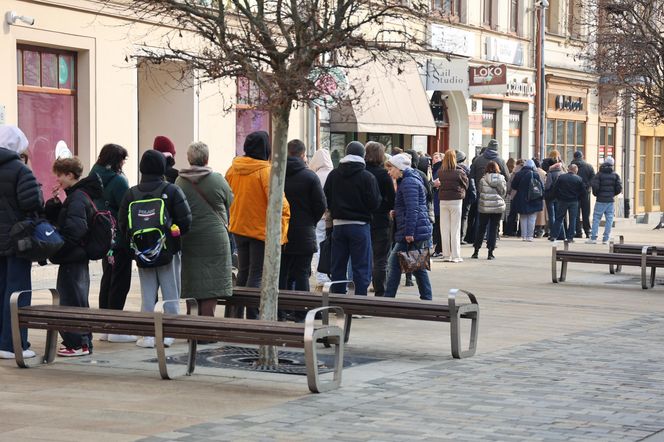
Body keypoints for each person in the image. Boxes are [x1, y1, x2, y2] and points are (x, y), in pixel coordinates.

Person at [119, 150, 192, 348]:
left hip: (143, 252)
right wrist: (173, 238)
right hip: (168, 251)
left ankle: (148, 335)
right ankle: (169, 334)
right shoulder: (172, 190)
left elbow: (122, 225)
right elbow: (186, 221)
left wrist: (135, 247)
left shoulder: (131, 193)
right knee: (171, 294)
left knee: (147, 294)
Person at [226, 131, 290, 317]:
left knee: (243, 273)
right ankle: (254, 318)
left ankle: (236, 316)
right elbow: (279, 202)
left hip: (238, 226)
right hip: (260, 230)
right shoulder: (266, 171)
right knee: (257, 274)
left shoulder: (233, 169)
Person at [46, 157, 102, 357]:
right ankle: (81, 342)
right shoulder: (77, 196)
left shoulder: (77, 197)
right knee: (75, 298)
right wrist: (54, 205)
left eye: (60, 175)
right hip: (75, 257)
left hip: (73, 257)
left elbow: (75, 229)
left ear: (70, 175)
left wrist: (59, 247)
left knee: (72, 299)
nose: (58, 180)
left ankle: (78, 344)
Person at [176, 141, 234, 319]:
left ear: (188, 158)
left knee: (192, 279)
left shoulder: (180, 181)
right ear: (207, 158)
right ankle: (207, 326)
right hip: (215, 237)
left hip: (189, 236)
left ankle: (192, 324)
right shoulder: (217, 179)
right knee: (212, 282)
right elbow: (230, 201)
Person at [0, 126, 43, 360]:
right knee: (18, 291)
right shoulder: (20, 170)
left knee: (1, 290)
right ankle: (13, 343)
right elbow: (32, 203)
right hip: (18, 242)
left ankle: (1, 341)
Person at [89, 144, 134, 343]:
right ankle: (115, 327)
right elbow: (127, 208)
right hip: (119, 237)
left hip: (102, 236)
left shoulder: (93, 176)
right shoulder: (118, 181)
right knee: (120, 281)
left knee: (107, 278)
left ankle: (105, 326)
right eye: (123, 159)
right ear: (116, 160)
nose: (124, 162)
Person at [324, 141, 381, 296]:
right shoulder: (367, 177)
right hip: (360, 225)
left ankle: (337, 299)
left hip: (338, 225)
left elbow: (326, 197)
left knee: (338, 266)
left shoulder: (334, 174)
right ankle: (359, 301)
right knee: (361, 266)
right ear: (363, 155)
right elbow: (375, 203)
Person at [279, 139, 326, 303]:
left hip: (281, 232)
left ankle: (281, 311)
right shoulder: (310, 177)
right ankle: (300, 311)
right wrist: (310, 221)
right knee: (302, 274)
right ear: (303, 155)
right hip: (304, 231)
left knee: (282, 273)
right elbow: (320, 205)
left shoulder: (276, 175)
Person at [384, 153, 432, 299]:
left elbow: (413, 209)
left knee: (396, 263)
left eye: (391, 168)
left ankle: (388, 298)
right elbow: (409, 207)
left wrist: (409, 233)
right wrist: (396, 212)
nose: (389, 172)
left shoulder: (408, 182)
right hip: (415, 229)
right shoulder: (408, 180)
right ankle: (426, 296)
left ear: (399, 168)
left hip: (412, 231)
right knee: (417, 265)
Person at [365, 141, 395, 297]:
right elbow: (391, 199)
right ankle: (379, 292)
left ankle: (361, 290)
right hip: (381, 221)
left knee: (364, 258)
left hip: (364, 219)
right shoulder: (383, 174)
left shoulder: (362, 171)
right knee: (380, 260)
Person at [468, 139, 509, 243]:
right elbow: (507, 177)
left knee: (480, 221)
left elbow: (471, 176)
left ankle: (477, 243)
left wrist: (477, 188)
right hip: (496, 196)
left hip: (481, 193)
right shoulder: (500, 161)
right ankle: (491, 244)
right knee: (494, 223)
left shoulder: (478, 160)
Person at [437, 150, 468, 262]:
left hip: (443, 200)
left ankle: (446, 254)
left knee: (444, 228)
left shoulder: (440, 172)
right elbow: (466, 184)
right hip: (456, 200)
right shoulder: (460, 172)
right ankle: (455, 255)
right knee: (455, 228)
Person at [309, 148, 334, 290]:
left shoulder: (314, 175)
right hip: (331, 217)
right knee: (329, 246)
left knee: (318, 246)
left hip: (317, 216)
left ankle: (321, 277)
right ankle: (329, 275)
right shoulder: (333, 174)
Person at [472, 161, 506, 260]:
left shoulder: (483, 179)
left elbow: (480, 191)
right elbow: (503, 192)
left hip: (485, 207)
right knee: (493, 229)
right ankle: (490, 252)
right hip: (497, 206)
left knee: (481, 228)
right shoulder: (501, 179)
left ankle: (476, 251)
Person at [587, 156, 622, 244]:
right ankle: (606, 239)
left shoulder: (599, 174)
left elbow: (595, 186)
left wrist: (597, 194)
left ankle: (593, 238)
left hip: (600, 200)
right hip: (610, 200)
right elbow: (619, 188)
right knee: (609, 219)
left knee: (596, 219)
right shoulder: (615, 175)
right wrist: (612, 194)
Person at [550, 164, 585, 243]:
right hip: (574, 201)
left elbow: (555, 189)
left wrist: (558, 197)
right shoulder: (579, 179)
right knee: (573, 219)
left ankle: (554, 236)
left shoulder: (561, 177)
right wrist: (578, 198)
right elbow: (583, 192)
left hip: (562, 200)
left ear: (568, 169)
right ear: (576, 171)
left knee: (559, 218)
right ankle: (570, 237)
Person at [510, 159, 544, 242]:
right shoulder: (535, 174)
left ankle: (524, 236)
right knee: (532, 217)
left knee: (523, 217)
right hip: (533, 198)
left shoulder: (519, 174)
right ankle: (530, 236)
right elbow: (541, 187)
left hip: (521, 198)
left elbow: (514, 186)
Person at [570, 151, 595, 238]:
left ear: (574, 156)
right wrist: (587, 185)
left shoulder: (571, 166)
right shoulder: (589, 166)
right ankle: (587, 231)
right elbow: (593, 179)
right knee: (586, 212)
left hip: (574, 193)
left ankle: (578, 232)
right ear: (582, 156)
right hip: (585, 193)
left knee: (575, 213)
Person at [543, 151, 565, 241]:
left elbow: (547, 186)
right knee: (559, 216)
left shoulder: (550, 173)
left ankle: (552, 233)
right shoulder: (562, 173)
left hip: (550, 197)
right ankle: (561, 234)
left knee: (552, 216)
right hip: (559, 197)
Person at [456, 150, 476, 244]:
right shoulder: (466, 170)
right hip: (465, 195)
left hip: (455, 196)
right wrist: (473, 196)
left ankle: (456, 237)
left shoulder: (450, 168)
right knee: (463, 217)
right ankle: (460, 237)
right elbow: (471, 184)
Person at [431, 152, 443, 257]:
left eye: (436, 157)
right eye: (433, 158)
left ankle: (438, 248)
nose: (434, 159)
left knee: (438, 226)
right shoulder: (433, 169)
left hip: (438, 201)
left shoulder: (439, 170)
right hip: (435, 201)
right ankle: (438, 248)